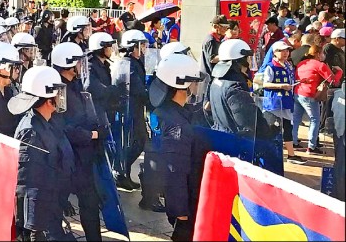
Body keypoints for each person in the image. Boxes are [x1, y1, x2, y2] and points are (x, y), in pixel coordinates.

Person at [8, 66, 75, 241]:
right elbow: (28, 184)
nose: (60, 97)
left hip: (51, 206)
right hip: (40, 220)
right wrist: (36, 229)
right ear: (47, 99)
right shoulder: (30, 132)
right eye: (57, 93)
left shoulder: (47, 122)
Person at [51, 42, 104, 241]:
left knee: (90, 202)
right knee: (60, 202)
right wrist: (91, 135)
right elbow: (63, 127)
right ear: (68, 64)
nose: (81, 66)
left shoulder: (74, 84)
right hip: (68, 157)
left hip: (83, 155)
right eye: (77, 62)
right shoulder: (58, 89)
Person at [149, 53, 205, 241]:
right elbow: (175, 171)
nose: (196, 86)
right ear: (183, 86)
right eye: (194, 82)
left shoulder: (169, 111)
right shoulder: (177, 126)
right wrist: (181, 212)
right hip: (187, 202)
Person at [209, 39, 272, 140]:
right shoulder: (235, 87)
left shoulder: (216, 80)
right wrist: (267, 131)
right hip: (235, 144)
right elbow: (246, 122)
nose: (249, 62)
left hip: (221, 137)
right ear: (240, 60)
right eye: (247, 58)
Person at [111, 29, 150, 190]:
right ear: (132, 47)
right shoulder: (128, 65)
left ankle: (123, 172)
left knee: (136, 142)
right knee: (134, 142)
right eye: (141, 45)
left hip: (133, 109)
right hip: (129, 111)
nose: (143, 49)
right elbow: (138, 90)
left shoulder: (132, 62)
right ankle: (120, 172)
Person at [261, 41, 305, 164]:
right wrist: (281, 86)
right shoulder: (271, 66)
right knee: (272, 129)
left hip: (286, 102)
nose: (285, 53)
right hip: (274, 104)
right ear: (275, 53)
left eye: (287, 50)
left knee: (288, 127)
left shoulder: (288, 65)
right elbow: (265, 84)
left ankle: (291, 155)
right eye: (282, 50)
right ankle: (271, 154)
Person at [293, 44, 343, 154]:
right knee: (315, 119)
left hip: (298, 92)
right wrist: (339, 72)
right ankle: (311, 146)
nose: (323, 55)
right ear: (317, 54)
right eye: (322, 53)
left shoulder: (302, 63)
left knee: (296, 118)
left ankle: (293, 141)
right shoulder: (320, 65)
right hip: (310, 94)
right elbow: (333, 81)